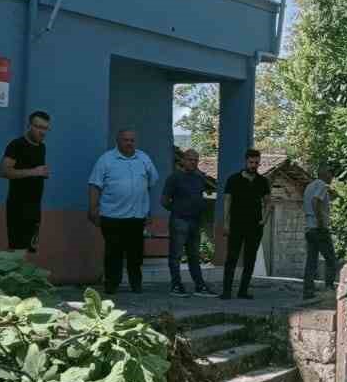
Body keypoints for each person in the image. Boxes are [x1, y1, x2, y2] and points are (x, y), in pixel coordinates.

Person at [88, 128, 159, 295]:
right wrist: (92, 208)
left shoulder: (144, 158)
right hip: (112, 216)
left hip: (136, 216)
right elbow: (94, 185)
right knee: (113, 253)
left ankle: (136, 284)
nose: (129, 143)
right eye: (125, 140)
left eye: (132, 140)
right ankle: (112, 285)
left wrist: (148, 210)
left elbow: (150, 184)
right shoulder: (106, 160)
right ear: (118, 141)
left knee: (136, 254)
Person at [162, 148, 217, 295]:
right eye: (190, 160)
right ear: (183, 160)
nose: (193, 163)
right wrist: (178, 210)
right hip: (179, 221)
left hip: (195, 222)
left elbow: (202, 196)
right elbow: (164, 201)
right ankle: (176, 285)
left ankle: (200, 286)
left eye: (195, 160)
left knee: (194, 256)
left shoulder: (199, 178)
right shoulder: (174, 178)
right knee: (176, 255)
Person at [0, 109, 51, 257]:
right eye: (39, 127)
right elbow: (3, 171)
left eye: (45, 128)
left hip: (35, 206)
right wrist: (34, 172)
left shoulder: (42, 147)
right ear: (29, 126)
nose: (42, 132)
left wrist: (41, 173)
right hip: (18, 206)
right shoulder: (16, 144)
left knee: (27, 251)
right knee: (18, 251)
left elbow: (35, 172)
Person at [221, 147, 271, 300]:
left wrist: (264, 220)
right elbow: (227, 201)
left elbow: (268, 202)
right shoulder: (233, 179)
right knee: (232, 257)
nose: (253, 165)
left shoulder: (262, 181)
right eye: (251, 162)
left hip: (255, 226)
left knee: (250, 259)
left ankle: (243, 291)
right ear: (245, 162)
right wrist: (226, 223)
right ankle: (226, 291)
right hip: (236, 224)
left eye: (256, 163)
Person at [302, 165, 337, 300]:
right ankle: (329, 288)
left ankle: (308, 291)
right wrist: (321, 222)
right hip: (318, 228)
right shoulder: (322, 185)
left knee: (311, 261)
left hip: (309, 229)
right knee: (331, 259)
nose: (332, 177)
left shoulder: (309, 186)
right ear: (324, 173)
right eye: (331, 173)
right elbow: (316, 201)